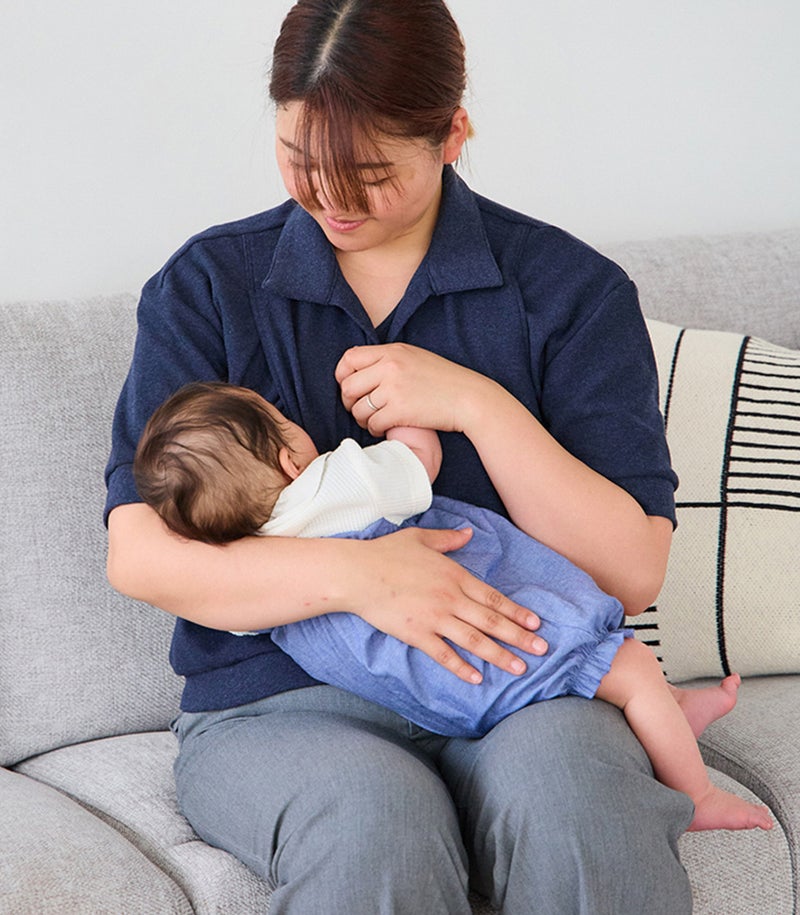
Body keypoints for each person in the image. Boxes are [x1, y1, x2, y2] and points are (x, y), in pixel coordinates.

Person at [104, 1, 731, 911]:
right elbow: (140, 554)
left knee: (577, 805)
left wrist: (478, 406)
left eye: (368, 174)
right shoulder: (209, 286)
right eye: (299, 160)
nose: (331, 200)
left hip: (525, 687)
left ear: (451, 135)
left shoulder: (571, 291)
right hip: (283, 706)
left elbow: (629, 572)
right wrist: (364, 578)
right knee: (375, 821)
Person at [133, 380, 772, 833]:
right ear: (287, 456)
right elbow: (420, 461)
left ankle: (673, 706)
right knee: (624, 664)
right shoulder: (337, 480)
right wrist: (405, 416)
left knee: (610, 674)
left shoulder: (245, 568)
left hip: (430, 691)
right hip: (478, 647)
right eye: (282, 419)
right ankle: (696, 791)